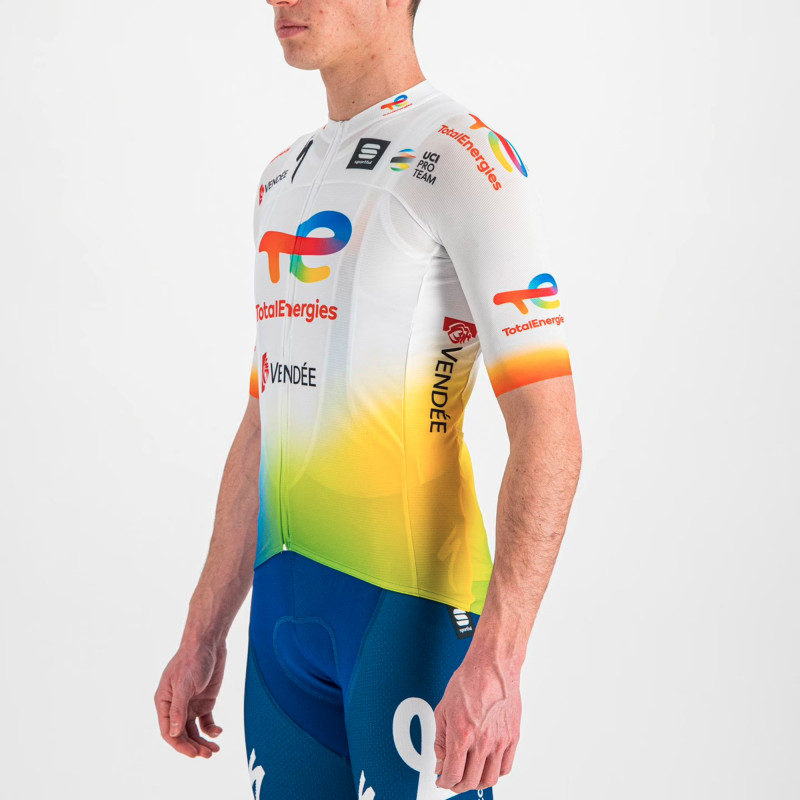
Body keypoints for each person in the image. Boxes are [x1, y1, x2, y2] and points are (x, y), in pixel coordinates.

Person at [154, 1, 582, 797]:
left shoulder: (466, 157)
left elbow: (549, 428)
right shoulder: (281, 176)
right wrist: (203, 630)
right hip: (282, 628)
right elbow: (264, 419)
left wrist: (499, 661)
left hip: (408, 617)